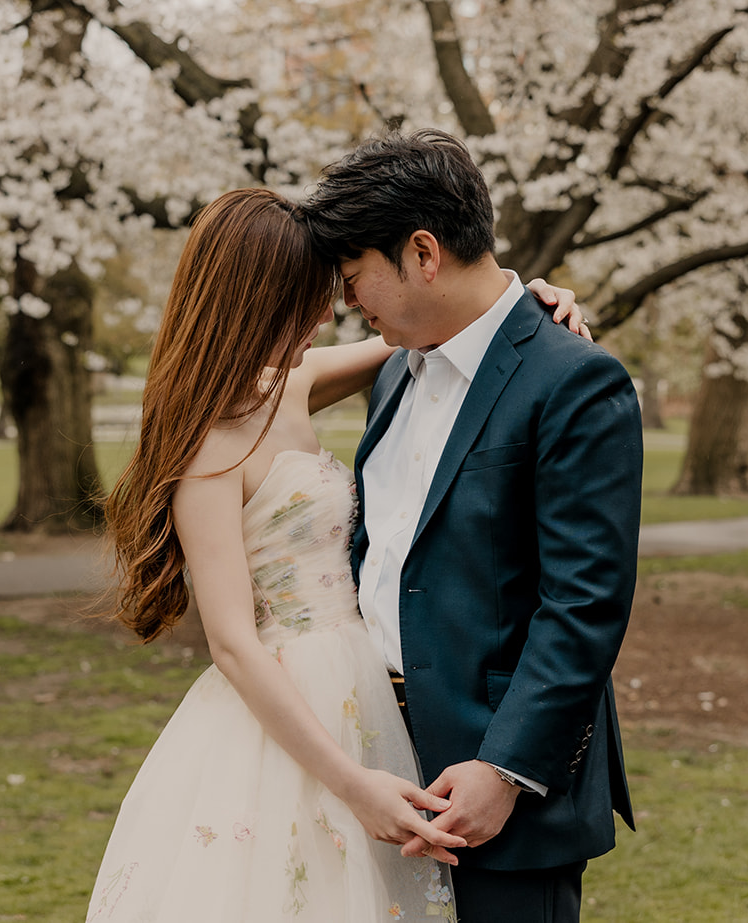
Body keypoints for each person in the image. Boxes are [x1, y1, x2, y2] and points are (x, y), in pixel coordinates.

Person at [84, 187, 587, 922]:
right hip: (285, 707)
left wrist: (524, 303)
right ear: (255, 300)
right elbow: (230, 641)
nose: (328, 315)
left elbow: (437, 325)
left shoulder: (293, 382)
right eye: (307, 300)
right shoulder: (207, 440)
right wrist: (353, 783)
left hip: (366, 683)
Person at [297, 130, 644, 923]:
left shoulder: (574, 380)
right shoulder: (392, 372)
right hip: (376, 761)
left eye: (356, 279)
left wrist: (506, 768)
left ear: (423, 252)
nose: (350, 305)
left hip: (497, 789)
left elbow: (585, 601)